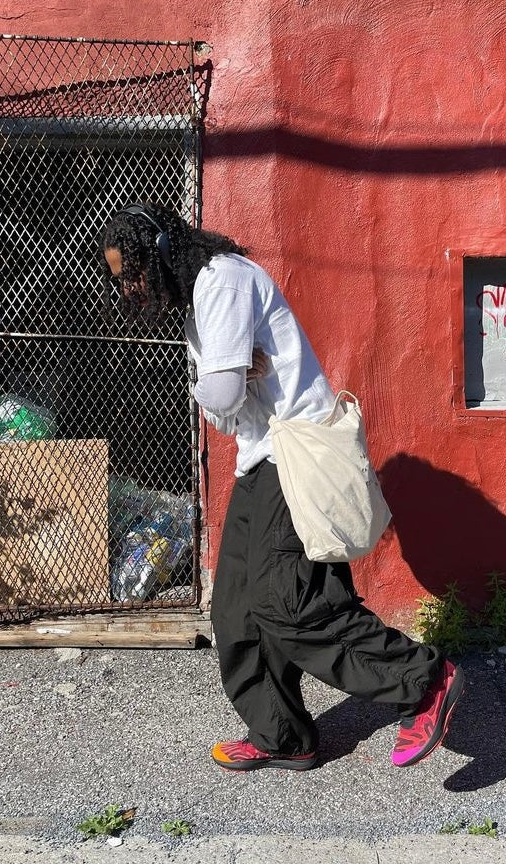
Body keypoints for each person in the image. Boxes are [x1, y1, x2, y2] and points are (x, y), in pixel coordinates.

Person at [100, 204, 464, 771]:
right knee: (235, 610)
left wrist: (222, 380)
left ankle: (424, 680)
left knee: (290, 602)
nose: (133, 286)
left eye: (136, 270)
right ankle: (283, 734)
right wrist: (226, 377)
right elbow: (225, 410)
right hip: (260, 457)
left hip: (293, 453)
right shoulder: (198, 301)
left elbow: (220, 400)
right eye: (123, 278)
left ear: (164, 252)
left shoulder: (223, 280)